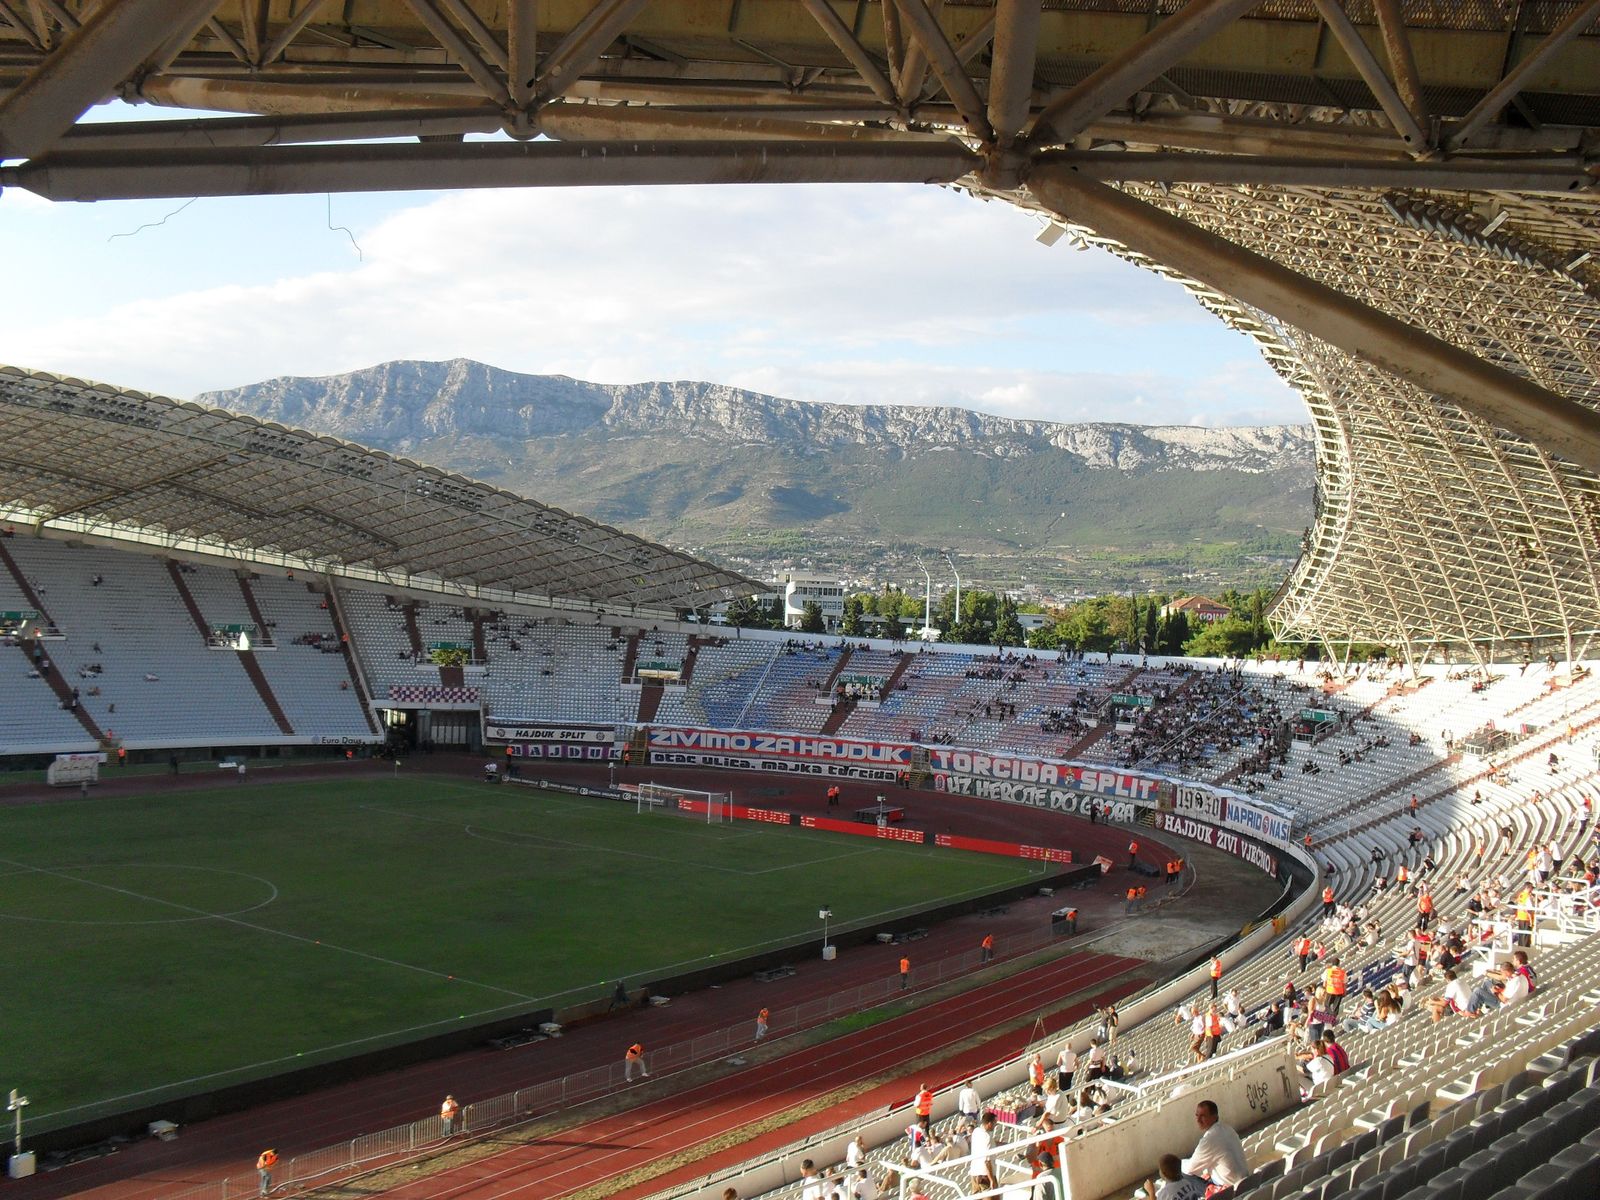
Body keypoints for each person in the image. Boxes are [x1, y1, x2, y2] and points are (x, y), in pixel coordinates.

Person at [1181, 1100, 1248, 1194]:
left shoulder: (1209, 1139)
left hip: (1230, 1191)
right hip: (1247, 1183)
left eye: (1203, 1116)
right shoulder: (1228, 1128)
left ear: (1214, 1116)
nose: (1198, 1120)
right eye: (1197, 1115)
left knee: (1182, 1172)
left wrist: (1180, 1162)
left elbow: (1190, 1169)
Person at [968, 1112, 996, 1193]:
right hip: (985, 1175)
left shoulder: (976, 1131)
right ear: (990, 1123)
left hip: (974, 1172)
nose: (995, 1125)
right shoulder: (987, 1137)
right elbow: (987, 1161)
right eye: (995, 1123)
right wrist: (991, 1179)